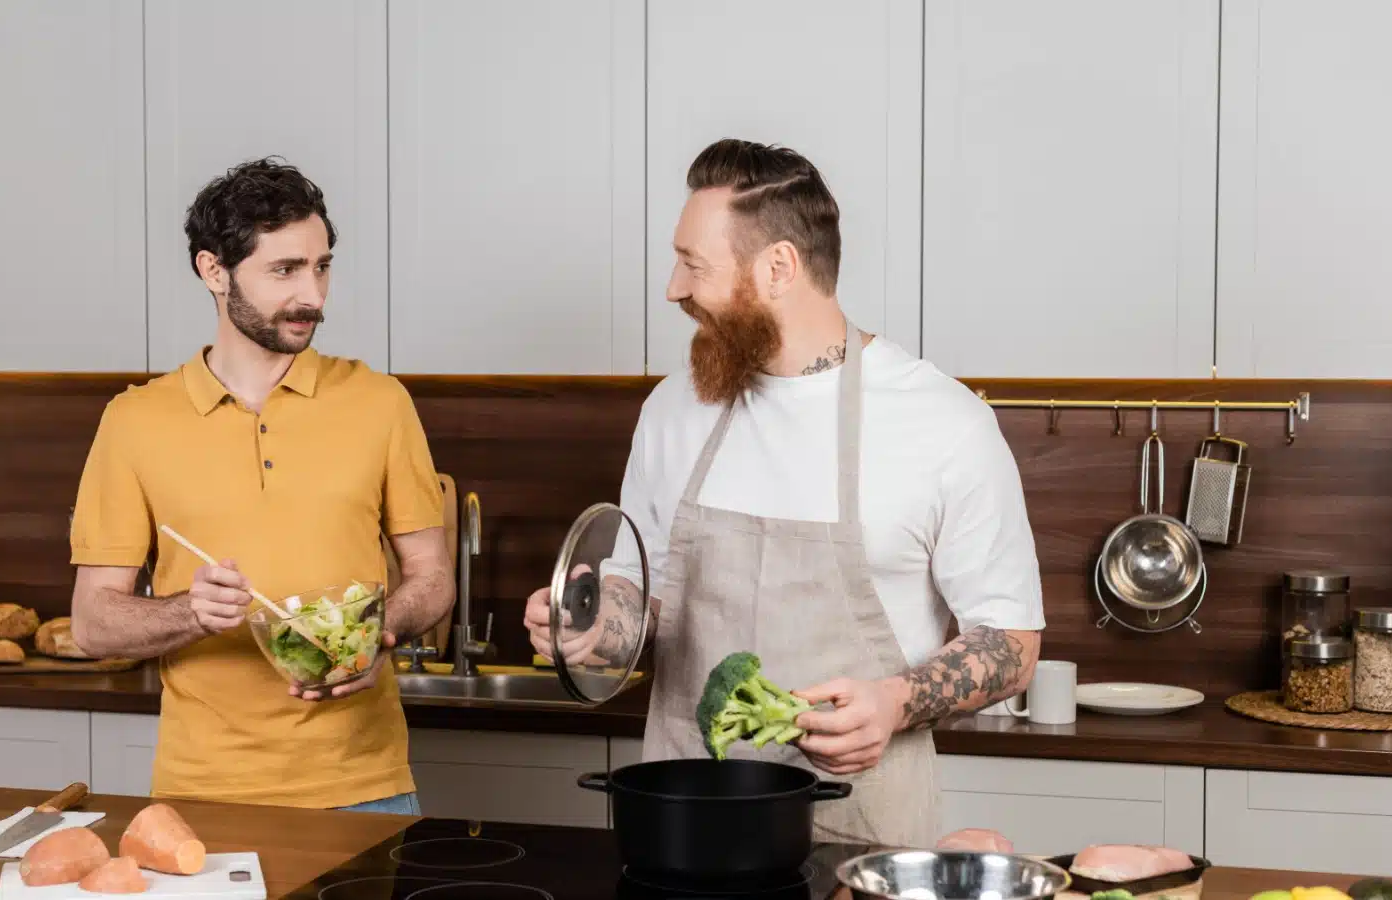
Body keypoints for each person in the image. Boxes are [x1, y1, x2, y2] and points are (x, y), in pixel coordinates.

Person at [523, 138, 1045, 847]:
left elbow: (1011, 641)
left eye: (694, 265)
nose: (673, 289)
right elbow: (638, 593)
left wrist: (895, 702)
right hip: (684, 822)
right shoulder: (673, 409)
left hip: (861, 829)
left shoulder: (944, 423)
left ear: (778, 268)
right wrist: (590, 630)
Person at [68, 157, 454, 814]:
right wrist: (190, 612)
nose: (314, 296)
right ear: (213, 270)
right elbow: (91, 623)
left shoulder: (380, 402)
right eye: (285, 270)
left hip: (367, 788)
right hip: (205, 794)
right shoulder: (133, 421)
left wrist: (365, 636)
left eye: (322, 267)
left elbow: (434, 577)